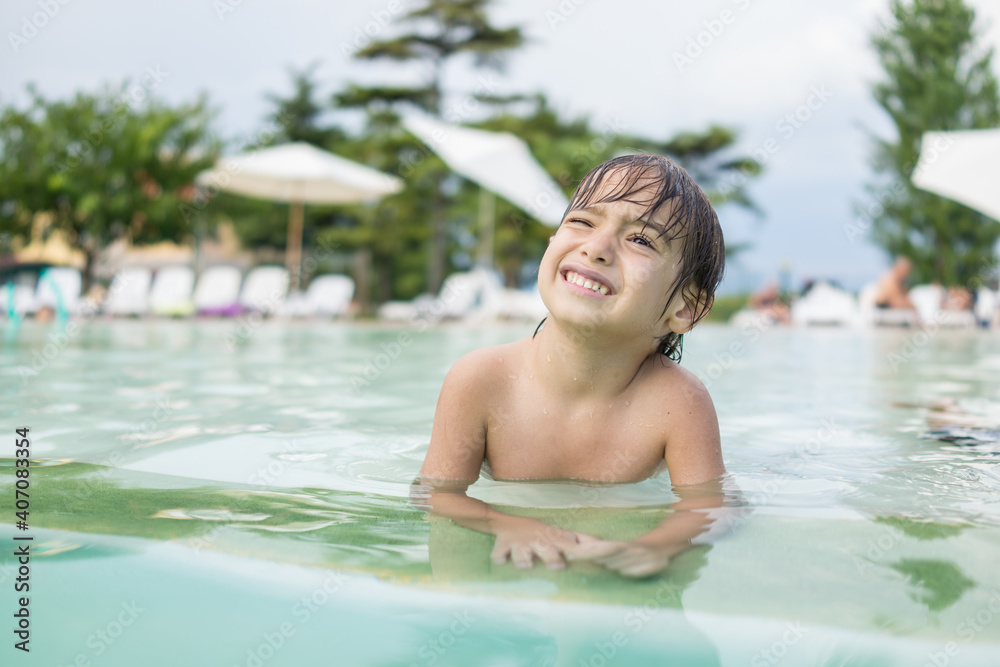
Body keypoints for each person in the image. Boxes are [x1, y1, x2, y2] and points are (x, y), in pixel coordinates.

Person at [413, 154, 732, 578]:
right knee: (456, 583)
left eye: (640, 240)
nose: (595, 248)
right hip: (502, 564)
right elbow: (434, 495)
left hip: (607, 554)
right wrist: (503, 523)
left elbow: (712, 507)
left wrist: (655, 547)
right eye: (582, 221)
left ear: (685, 307)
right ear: (551, 242)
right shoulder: (481, 380)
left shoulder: (677, 404)